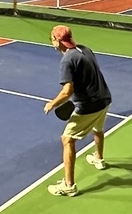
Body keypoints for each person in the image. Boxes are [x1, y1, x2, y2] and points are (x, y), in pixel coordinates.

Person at [43, 25, 113, 197]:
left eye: (52, 37)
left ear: (57, 41)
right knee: (97, 128)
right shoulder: (84, 48)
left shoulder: (67, 60)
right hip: (105, 98)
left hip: (89, 105)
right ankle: (99, 159)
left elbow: (67, 91)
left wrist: (52, 104)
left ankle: (69, 185)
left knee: (67, 140)